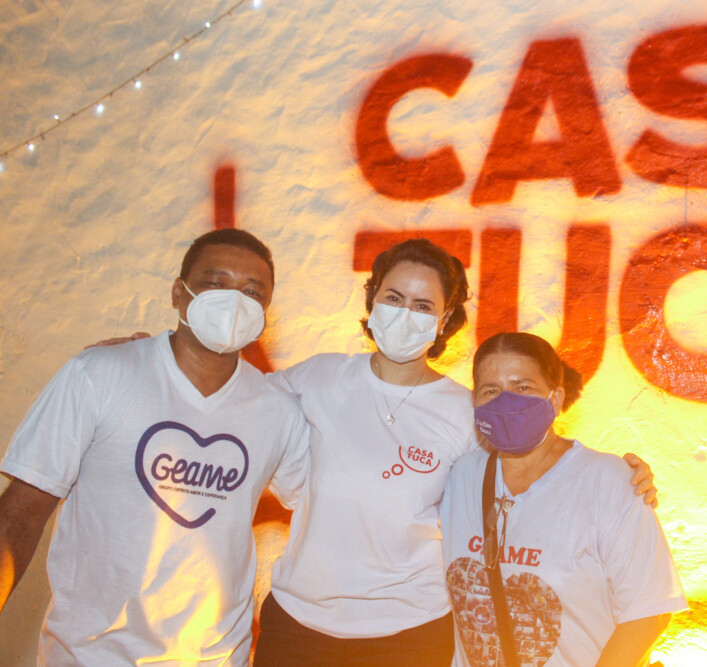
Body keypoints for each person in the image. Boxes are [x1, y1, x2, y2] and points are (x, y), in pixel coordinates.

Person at [252, 239, 658, 666]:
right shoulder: (320, 376)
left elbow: (537, 465)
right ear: (372, 299)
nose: (405, 313)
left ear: (444, 319)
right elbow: (244, 409)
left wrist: (622, 480)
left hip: (410, 634)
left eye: (423, 306)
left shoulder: (467, 412)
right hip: (298, 621)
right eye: (394, 298)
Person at [0, 229, 310, 665]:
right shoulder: (100, 374)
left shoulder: (277, 409)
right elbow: (18, 517)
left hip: (216, 658)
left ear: (265, 310)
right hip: (89, 656)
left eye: (251, 292)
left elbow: (330, 504)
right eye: (215, 283)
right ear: (179, 294)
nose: (233, 302)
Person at [441, 332, 687, 667]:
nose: (506, 402)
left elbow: (648, 613)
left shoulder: (607, 481)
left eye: (523, 387)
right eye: (491, 390)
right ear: (476, 403)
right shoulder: (460, 476)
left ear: (555, 399)